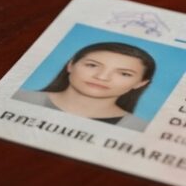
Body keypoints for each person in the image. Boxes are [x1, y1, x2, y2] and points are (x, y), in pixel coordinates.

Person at [13, 42, 155, 131]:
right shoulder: (18, 98)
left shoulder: (140, 129)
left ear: (141, 83)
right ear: (70, 65)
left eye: (124, 74)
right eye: (92, 65)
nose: (102, 77)